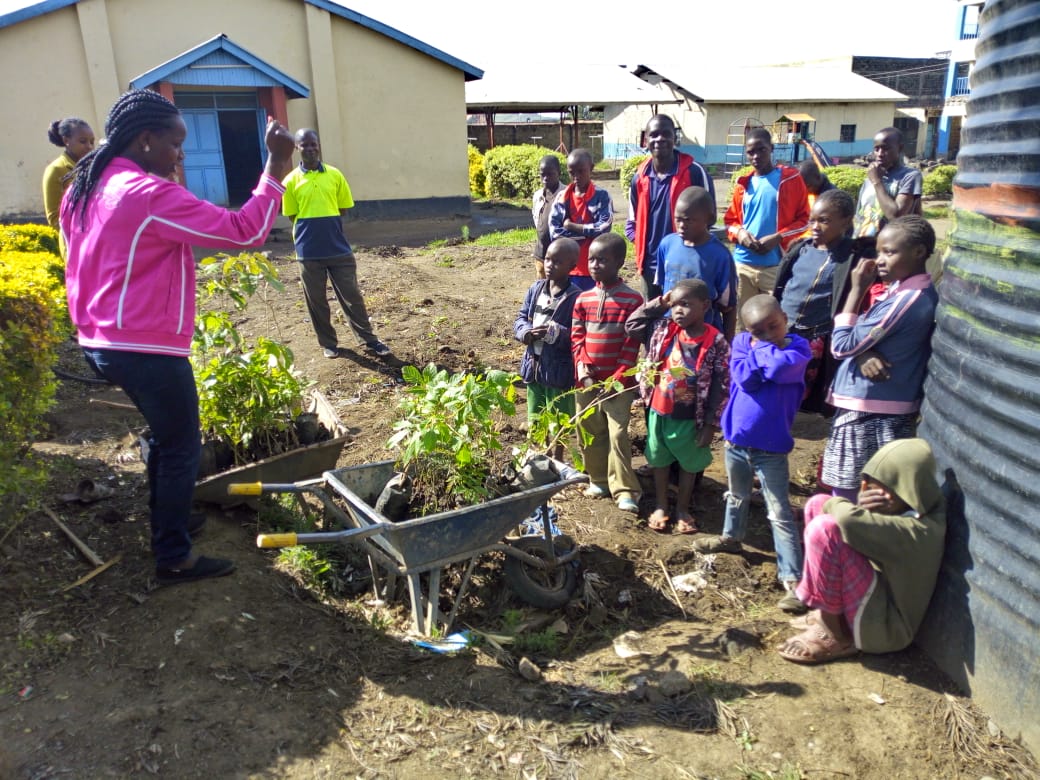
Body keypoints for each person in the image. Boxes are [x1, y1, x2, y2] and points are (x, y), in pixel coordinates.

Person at [61, 89, 295, 585]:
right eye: (175, 143)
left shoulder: (85, 186)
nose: (182, 155)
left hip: (99, 338)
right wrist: (274, 165)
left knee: (167, 439)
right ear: (145, 141)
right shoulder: (146, 193)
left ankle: (172, 516)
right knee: (181, 446)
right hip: (142, 346)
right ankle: (173, 555)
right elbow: (245, 232)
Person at [777, 437, 945, 664]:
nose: (867, 491)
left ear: (904, 489)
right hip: (871, 599)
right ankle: (823, 613)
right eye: (866, 483)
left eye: (878, 486)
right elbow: (851, 520)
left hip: (883, 628)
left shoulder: (918, 530)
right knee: (818, 503)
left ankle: (833, 634)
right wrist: (863, 508)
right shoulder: (907, 509)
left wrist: (855, 510)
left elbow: (846, 520)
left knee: (825, 529)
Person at [693, 295, 811, 612]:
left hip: (771, 448)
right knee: (736, 494)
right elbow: (744, 377)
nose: (768, 334)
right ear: (747, 329)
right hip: (736, 441)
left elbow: (780, 370)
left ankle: (792, 581)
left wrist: (759, 353)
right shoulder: (744, 341)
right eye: (758, 331)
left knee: (779, 512)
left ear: (785, 318)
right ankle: (732, 537)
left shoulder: (799, 348)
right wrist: (762, 356)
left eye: (773, 326)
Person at [822, 215, 938, 502]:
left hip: (870, 410)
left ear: (919, 252)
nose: (880, 260)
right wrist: (863, 353)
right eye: (879, 251)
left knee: (852, 495)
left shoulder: (907, 300)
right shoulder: (901, 291)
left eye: (890, 252)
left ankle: (844, 543)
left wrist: (857, 289)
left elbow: (841, 345)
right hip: (872, 405)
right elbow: (860, 342)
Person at [625, 279, 729, 534]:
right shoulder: (664, 329)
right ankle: (661, 504)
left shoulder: (715, 341)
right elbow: (632, 324)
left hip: (691, 417)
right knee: (659, 459)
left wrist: (711, 424)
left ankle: (683, 507)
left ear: (705, 306)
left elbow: (722, 383)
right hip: (659, 410)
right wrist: (660, 302)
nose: (678, 310)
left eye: (686, 305)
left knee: (689, 464)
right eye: (674, 305)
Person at [281, 128, 390, 359]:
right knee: (316, 300)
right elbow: (293, 215)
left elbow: (343, 209)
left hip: (338, 248)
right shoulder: (290, 181)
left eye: (313, 144)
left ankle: (369, 340)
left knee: (352, 296)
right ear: (297, 148)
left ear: (318, 146)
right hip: (308, 251)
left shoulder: (335, 175)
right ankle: (328, 343)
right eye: (304, 145)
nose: (310, 149)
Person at [571, 232, 643, 513]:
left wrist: (617, 378)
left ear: (619, 262)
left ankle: (625, 489)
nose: (595, 265)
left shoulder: (631, 300)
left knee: (617, 434)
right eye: (591, 259)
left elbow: (631, 345)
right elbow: (577, 338)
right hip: (587, 379)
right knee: (589, 428)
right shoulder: (583, 299)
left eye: (603, 259)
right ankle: (598, 479)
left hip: (619, 382)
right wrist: (584, 368)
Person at [773, 189, 859, 414]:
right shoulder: (800, 250)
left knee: (799, 390)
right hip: (784, 330)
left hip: (815, 336)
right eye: (812, 220)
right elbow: (783, 286)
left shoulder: (851, 257)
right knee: (774, 378)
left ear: (845, 222)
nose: (815, 226)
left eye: (824, 221)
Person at [724, 128, 809, 329]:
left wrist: (778, 237)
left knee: (777, 322)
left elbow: (805, 219)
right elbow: (730, 221)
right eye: (750, 152)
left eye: (761, 150)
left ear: (771, 149)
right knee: (746, 324)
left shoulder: (790, 179)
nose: (756, 156)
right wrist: (741, 234)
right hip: (743, 265)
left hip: (775, 266)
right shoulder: (743, 184)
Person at [625, 115, 715, 299]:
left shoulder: (694, 172)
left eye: (666, 134)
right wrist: (645, 248)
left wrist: (691, 250)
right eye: (654, 135)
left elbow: (710, 218)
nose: (660, 139)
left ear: (675, 138)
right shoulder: (639, 178)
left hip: (685, 263)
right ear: (646, 140)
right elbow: (632, 223)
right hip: (650, 266)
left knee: (684, 316)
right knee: (653, 320)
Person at [514, 238, 582, 460]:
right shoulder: (536, 290)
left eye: (558, 262)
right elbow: (522, 317)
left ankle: (558, 457)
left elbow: (579, 334)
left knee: (559, 417)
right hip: (534, 365)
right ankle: (543, 453)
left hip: (558, 371)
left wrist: (556, 333)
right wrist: (525, 332)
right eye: (548, 259)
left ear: (572, 266)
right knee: (536, 414)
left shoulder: (575, 297)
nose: (550, 265)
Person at [655, 185, 734, 338]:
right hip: (670, 334)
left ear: (709, 219)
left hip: (704, 337)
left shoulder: (720, 255)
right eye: (678, 220)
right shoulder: (667, 245)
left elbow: (728, 307)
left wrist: (729, 347)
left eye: (689, 220)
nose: (682, 226)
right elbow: (661, 290)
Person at [852, 127, 923, 258]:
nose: (880, 153)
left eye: (886, 148)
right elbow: (859, 215)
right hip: (862, 249)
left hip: (888, 251)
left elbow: (895, 215)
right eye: (876, 148)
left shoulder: (910, 176)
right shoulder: (872, 176)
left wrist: (877, 182)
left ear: (900, 148)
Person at [549, 148, 613, 291]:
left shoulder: (602, 196)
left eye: (581, 171)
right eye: (572, 172)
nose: (576, 177)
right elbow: (555, 233)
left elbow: (604, 229)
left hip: (596, 269)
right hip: (567, 269)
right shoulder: (562, 198)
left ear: (591, 168)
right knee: (569, 310)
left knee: (593, 309)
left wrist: (572, 226)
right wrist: (588, 233)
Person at [42, 116, 95, 255]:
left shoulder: (94, 166)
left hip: (96, 241)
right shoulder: (56, 170)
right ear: (66, 141)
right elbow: (53, 217)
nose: (89, 147)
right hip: (74, 245)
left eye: (92, 142)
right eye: (83, 141)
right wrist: (82, 229)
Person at [531, 155, 566, 279]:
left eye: (550, 174)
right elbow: (537, 219)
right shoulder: (537, 196)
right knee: (541, 282)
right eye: (542, 174)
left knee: (559, 282)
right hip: (541, 250)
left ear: (559, 173)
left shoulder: (566, 196)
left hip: (560, 252)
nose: (545, 178)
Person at [796, 159, 835, 240]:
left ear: (817, 178)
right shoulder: (806, 191)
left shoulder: (831, 199)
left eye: (808, 186)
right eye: (801, 187)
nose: (805, 190)